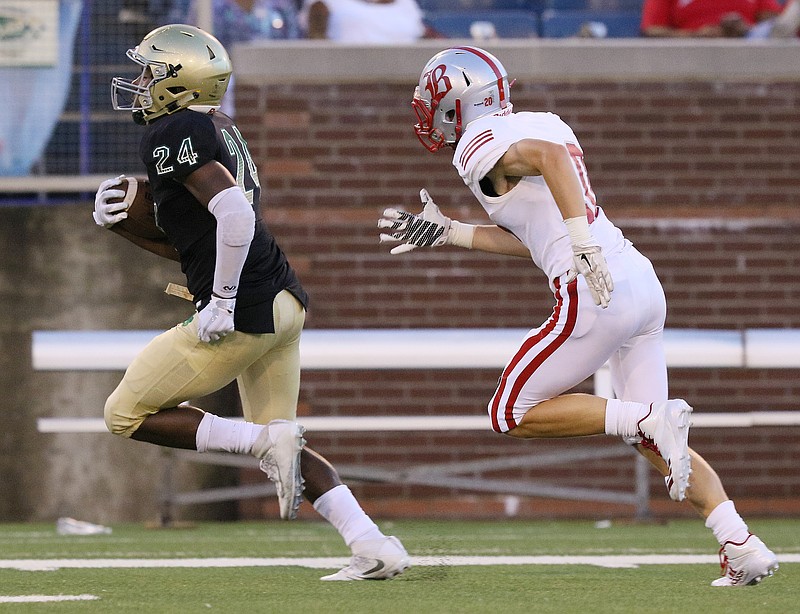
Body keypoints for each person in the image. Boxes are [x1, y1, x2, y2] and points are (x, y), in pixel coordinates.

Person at [378, 45, 779, 587]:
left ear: (459, 99)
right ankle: (741, 543)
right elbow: (541, 237)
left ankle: (646, 418)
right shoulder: (539, 120)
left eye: (433, 99)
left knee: (511, 412)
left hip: (595, 289)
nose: (428, 111)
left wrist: (582, 244)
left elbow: (550, 160)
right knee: (655, 439)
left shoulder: (478, 142)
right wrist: (451, 231)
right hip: (637, 281)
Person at [94, 23, 409, 581]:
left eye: (149, 70)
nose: (139, 82)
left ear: (177, 79)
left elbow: (235, 216)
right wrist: (127, 229)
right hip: (281, 301)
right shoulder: (218, 127)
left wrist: (220, 302)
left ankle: (267, 440)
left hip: (243, 308)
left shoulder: (175, 128)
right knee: (279, 443)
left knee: (124, 413)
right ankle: (374, 544)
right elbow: (205, 237)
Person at [640, 0, 785, 38]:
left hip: (748, 58)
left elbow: (777, 25)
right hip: (691, 62)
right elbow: (651, 31)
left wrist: (747, 31)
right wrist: (696, 36)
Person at [301, 0, 426, 42]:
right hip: (348, 82)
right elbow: (316, 41)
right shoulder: (323, 4)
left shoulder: (406, 3)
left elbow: (421, 34)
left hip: (403, 82)